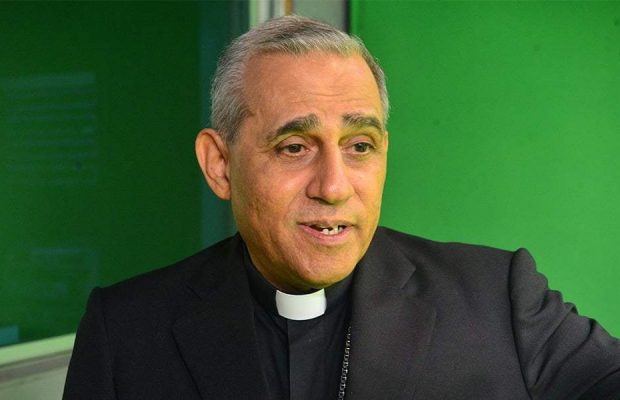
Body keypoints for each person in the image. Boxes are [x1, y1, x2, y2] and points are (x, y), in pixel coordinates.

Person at [63, 15, 620, 400]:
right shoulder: (126, 330)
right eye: (294, 147)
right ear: (220, 165)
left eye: (359, 146)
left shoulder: (500, 297)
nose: (333, 187)